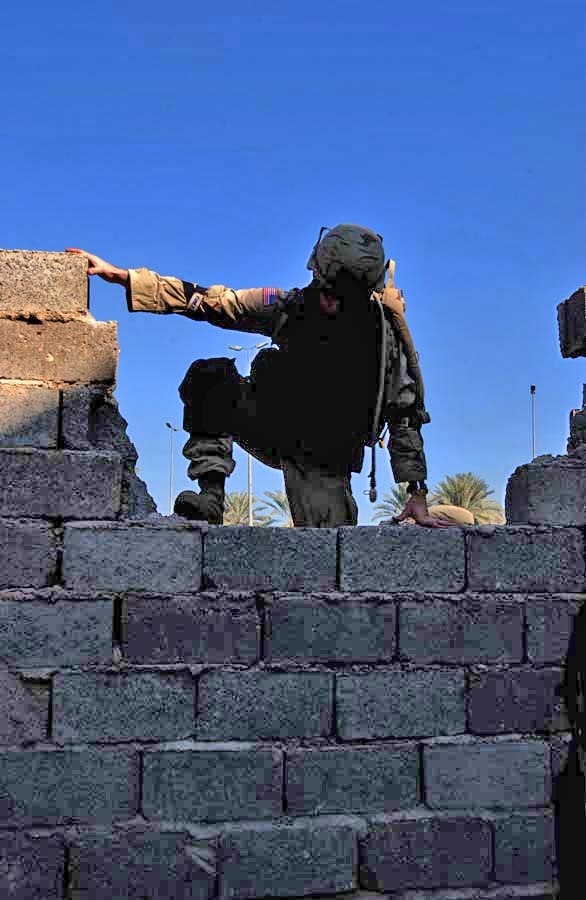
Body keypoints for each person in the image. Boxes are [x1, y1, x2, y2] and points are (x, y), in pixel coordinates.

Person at [67, 224, 452, 528]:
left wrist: (416, 494)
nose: (331, 304)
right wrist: (123, 277)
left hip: (324, 454)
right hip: (275, 424)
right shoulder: (289, 307)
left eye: (343, 299)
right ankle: (211, 498)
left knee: (327, 548)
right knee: (210, 375)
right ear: (316, 274)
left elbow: (405, 415)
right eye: (327, 292)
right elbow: (211, 300)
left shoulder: (383, 337)